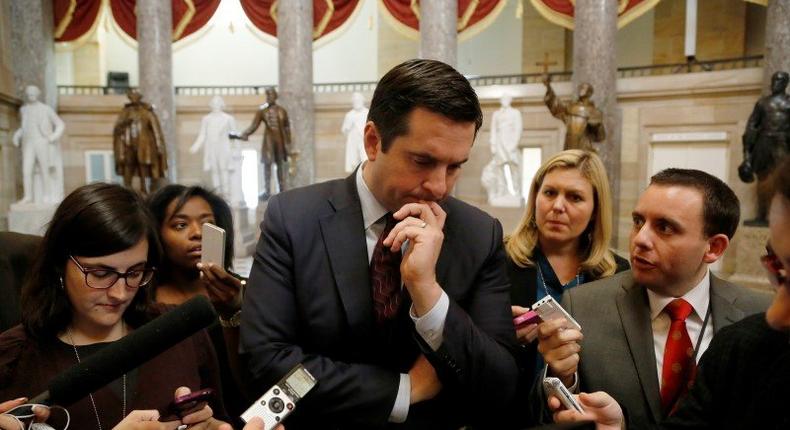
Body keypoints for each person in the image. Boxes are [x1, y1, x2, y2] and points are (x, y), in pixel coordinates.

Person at [240, 59, 519, 429]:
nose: (439, 187)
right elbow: (267, 364)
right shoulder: (294, 219)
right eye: (423, 161)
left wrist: (428, 294)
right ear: (373, 141)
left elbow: (500, 384)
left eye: (454, 167)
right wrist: (403, 390)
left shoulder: (478, 234)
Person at [551, 157, 790, 429]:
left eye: (665, 227)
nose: (640, 239)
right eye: (638, 222)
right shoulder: (583, 304)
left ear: (714, 248)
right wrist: (564, 376)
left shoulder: (756, 317)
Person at [0, 183, 228, 429]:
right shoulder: (14, 359)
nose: (120, 293)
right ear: (59, 264)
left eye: (135, 272)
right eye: (99, 273)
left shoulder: (180, 332)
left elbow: (224, 417)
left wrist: (214, 425)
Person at [504, 150, 629, 427]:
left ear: (596, 209)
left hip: (585, 417)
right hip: (509, 414)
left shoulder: (619, 276)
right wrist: (501, 335)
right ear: (535, 197)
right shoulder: (498, 259)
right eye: (549, 193)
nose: (558, 206)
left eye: (574, 197)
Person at [147, 185, 247, 423]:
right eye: (180, 225)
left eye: (207, 224)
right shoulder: (144, 304)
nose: (197, 233)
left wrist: (234, 310)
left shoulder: (243, 290)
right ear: (157, 233)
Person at [738, 71, 790, 224]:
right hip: (764, 143)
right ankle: (761, 216)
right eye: (774, 80)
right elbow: (752, 127)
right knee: (762, 180)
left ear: (785, 83)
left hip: (782, 142)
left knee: (782, 179)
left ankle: (783, 216)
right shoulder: (763, 103)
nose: (776, 83)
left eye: (780, 80)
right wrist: (747, 157)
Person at [234, 87, 292, 200]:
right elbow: (254, 125)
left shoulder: (282, 111)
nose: (269, 97)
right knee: (267, 165)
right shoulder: (262, 110)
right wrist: (244, 134)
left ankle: (281, 189)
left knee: (280, 166)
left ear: (275, 96)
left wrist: (288, 144)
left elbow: (287, 128)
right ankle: (267, 190)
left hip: (280, 141)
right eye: (267, 95)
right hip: (269, 141)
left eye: (271, 95)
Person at [11, 85, 65, 204]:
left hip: (42, 141)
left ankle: (46, 194)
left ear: (37, 94)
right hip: (28, 142)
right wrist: (17, 135)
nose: (31, 96)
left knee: (44, 169)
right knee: (26, 170)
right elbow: (25, 127)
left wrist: (52, 137)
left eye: (33, 94)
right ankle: (28, 196)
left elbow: (60, 124)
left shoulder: (45, 109)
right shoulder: (24, 109)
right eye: (29, 94)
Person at [113, 89, 168, 195]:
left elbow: (156, 130)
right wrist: (125, 122)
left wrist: (159, 145)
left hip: (144, 144)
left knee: (144, 166)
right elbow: (117, 129)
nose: (133, 98)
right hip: (127, 144)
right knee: (128, 165)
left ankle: (144, 188)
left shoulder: (147, 112)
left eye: (135, 96)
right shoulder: (125, 112)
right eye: (131, 96)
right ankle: (127, 189)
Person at [190, 96, 239, 201]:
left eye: (218, 103)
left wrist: (236, 150)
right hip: (212, 147)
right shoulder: (206, 119)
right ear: (211, 105)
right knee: (214, 170)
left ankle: (226, 193)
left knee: (224, 169)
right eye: (214, 103)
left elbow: (234, 136)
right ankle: (218, 193)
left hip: (224, 147)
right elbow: (202, 134)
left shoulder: (228, 119)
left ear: (222, 104)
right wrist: (196, 146)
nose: (216, 105)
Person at [543, 76, 605, 152]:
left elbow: (600, 137)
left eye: (583, 88)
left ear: (589, 92)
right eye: (580, 87)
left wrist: (597, 127)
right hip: (569, 146)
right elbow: (556, 107)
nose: (580, 89)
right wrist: (549, 87)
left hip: (583, 147)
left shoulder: (594, 112)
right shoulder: (571, 108)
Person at [482, 94, 522, 204]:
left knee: (513, 167)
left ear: (510, 100)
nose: (504, 101)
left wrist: (513, 144)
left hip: (510, 142)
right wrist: (493, 145)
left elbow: (518, 129)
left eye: (506, 99)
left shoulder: (515, 113)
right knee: (499, 168)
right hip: (500, 142)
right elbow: (493, 130)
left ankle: (516, 191)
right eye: (503, 99)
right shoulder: (496, 114)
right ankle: (501, 191)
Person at [342, 92, 369, 173]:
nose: (356, 102)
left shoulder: (367, 112)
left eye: (358, 100)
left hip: (364, 139)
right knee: (353, 160)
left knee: (365, 157)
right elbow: (344, 129)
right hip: (353, 140)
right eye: (355, 101)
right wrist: (348, 126)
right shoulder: (349, 115)